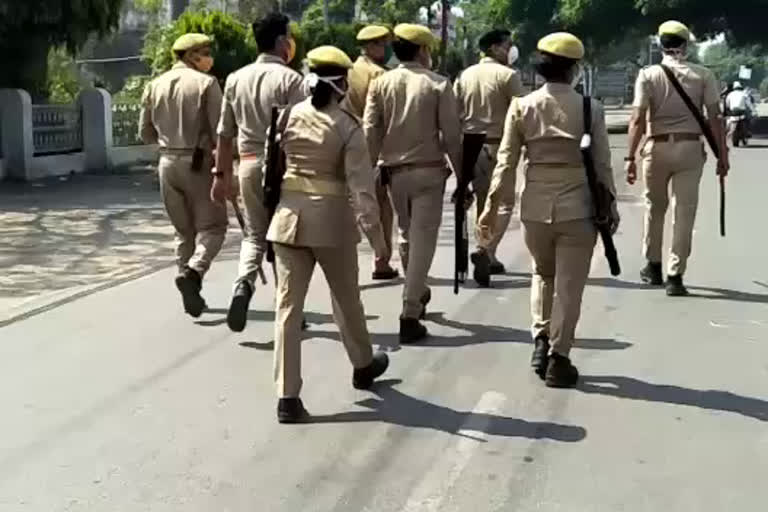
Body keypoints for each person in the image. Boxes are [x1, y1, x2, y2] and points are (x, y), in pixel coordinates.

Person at [477, 32, 619, 388]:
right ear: (574, 69)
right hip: (578, 208)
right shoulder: (591, 108)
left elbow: (506, 163)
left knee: (543, 274)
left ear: (540, 67)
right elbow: (602, 165)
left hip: (536, 207)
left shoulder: (522, 107)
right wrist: (611, 205)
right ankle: (559, 357)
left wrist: (491, 209)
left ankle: (540, 338)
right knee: (569, 288)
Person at [267, 46, 390, 423]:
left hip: (287, 221)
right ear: (342, 84)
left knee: (288, 309)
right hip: (331, 223)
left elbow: (270, 173)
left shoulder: (286, 117)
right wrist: (379, 242)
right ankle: (362, 364)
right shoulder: (347, 126)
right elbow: (362, 189)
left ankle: (287, 397)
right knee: (346, 299)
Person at [364, 23, 462, 344]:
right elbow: (451, 138)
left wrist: (366, 175)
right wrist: (464, 179)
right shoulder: (438, 85)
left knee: (406, 234)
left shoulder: (380, 84)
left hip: (393, 174)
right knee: (422, 241)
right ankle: (409, 310)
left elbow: (370, 133)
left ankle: (416, 291)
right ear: (422, 50)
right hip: (428, 174)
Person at [213, 13, 305, 332]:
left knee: (254, 235)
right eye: (290, 36)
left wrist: (220, 176)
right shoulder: (292, 80)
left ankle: (243, 284)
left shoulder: (236, 79)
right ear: (282, 42)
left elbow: (224, 134)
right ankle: (288, 309)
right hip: (283, 167)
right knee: (285, 240)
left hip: (248, 163)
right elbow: (304, 130)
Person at [625, 21, 729, 296]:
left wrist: (629, 157)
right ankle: (675, 274)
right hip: (690, 148)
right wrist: (722, 155)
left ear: (661, 45)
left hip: (656, 148)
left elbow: (637, 118)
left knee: (654, 207)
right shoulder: (703, 75)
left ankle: (653, 265)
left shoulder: (648, 75)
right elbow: (715, 119)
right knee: (684, 212)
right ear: (685, 45)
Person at [140, 33, 227, 318]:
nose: (208, 57)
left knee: (183, 231)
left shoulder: (154, 85)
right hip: (198, 162)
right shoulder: (207, 84)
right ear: (191, 56)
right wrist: (226, 168)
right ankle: (194, 271)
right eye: (204, 52)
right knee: (213, 228)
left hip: (167, 162)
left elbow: (145, 133)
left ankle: (188, 286)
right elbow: (220, 131)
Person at [454, 28, 524, 286]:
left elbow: (454, 114)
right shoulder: (509, 75)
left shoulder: (464, 76)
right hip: (499, 147)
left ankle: (486, 252)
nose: (511, 50)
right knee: (503, 204)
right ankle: (485, 249)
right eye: (508, 45)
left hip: (471, 148)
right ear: (495, 48)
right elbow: (522, 114)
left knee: (483, 204)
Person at [343, 25, 399, 281]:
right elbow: (383, 118)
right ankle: (381, 258)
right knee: (379, 205)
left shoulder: (349, 70)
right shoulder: (379, 75)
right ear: (371, 46)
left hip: (344, 142)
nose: (385, 49)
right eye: (381, 44)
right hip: (372, 148)